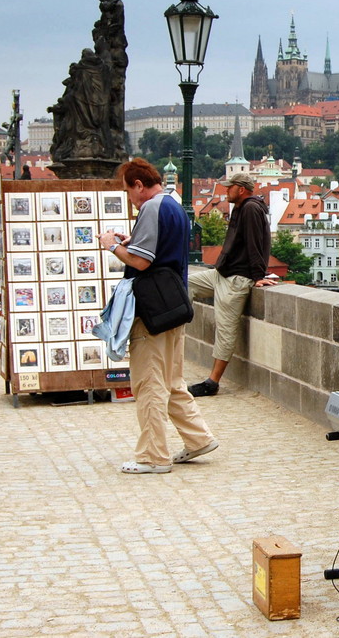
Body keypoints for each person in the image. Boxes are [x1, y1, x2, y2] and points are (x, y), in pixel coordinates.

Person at [98, 158, 217, 474]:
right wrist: (131, 242)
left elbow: (141, 262)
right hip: (172, 304)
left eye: (128, 191)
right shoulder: (174, 204)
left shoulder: (151, 207)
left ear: (138, 184)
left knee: (149, 383)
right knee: (171, 380)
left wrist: (112, 246)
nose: (130, 199)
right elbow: (157, 251)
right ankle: (198, 438)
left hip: (151, 310)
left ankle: (153, 456)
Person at [187, 172, 274, 397]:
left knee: (225, 330)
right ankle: (176, 330)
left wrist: (257, 276)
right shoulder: (240, 207)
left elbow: (256, 244)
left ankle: (212, 382)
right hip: (222, 273)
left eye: (229, 187)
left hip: (237, 279)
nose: (226, 191)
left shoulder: (251, 209)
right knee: (183, 284)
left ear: (241, 189)